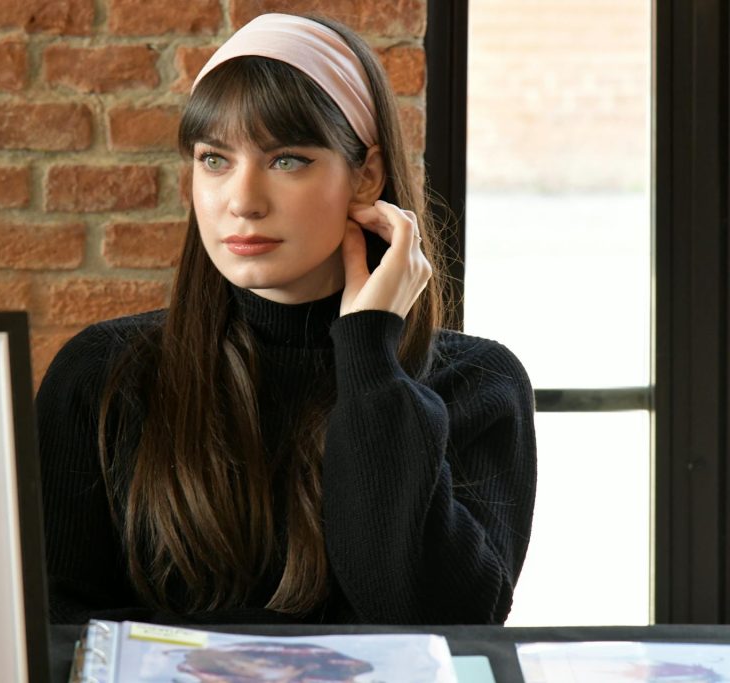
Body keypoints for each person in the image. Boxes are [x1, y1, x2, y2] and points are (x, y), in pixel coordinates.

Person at [36, 13, 536, 626]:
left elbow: (439, 624)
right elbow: (53, 634)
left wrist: (370, 357)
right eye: (215, 160)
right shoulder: (100, 376)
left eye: (287, 160)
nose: (242, 200)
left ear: (366, 176)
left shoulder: (477, 383)